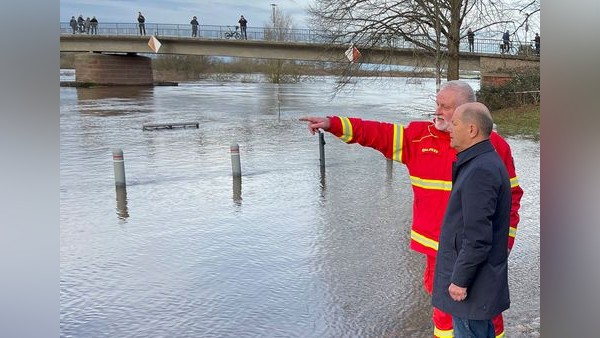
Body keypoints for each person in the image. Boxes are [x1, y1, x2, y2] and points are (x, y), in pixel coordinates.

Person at [299, 80, 523, 338]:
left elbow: (512, 198)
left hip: (478, 251)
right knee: (443, 314)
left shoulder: (493, 147)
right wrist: (333, 124)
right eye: (436, 104)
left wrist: (504, 243)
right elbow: (375, 133)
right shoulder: (417, 136)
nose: (437, 112)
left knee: (487, 313)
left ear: (466, 112)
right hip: (438, 251)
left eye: (445, 107)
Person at [432, 102, 511, 337]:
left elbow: (478, 238)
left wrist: (459, 280)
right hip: (478, 281)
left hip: (473, 284)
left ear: (472, 129)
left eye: (455, 124)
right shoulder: (481, 162)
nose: (449, 129)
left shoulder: (481, 170)